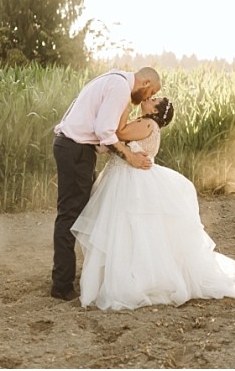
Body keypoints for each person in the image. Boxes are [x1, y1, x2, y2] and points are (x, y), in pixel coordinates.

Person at [71, 97, 235, 310]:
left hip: (128, 181)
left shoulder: (146, 124)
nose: (147, 99)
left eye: (153, 99)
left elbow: (117, 134)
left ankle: (126, 277)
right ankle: (122, 273)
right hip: (125, 177)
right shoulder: (147, 124)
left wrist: (123, 106)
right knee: (129, 231)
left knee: (123, 229)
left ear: (155, 110)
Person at [51, 67, 161, 301]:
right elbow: (104, 132)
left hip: (77, 149)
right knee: (70, 215)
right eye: (151, 91)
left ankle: (84, 275)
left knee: (86, 212)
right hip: (75, 150)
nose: (149, 97)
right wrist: (130, 157)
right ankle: (61, 285)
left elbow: (103, 133)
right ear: (146, 81)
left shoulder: (114, 79)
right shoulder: (121, 87)